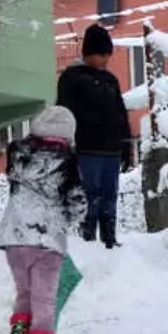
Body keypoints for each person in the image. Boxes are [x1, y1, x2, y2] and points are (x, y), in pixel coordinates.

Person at [0, 106, 87, 334]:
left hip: (14, 237)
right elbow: (76, 201)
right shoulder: (68, 162)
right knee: (44, 302)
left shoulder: (17, 155)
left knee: (24, 295)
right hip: (46, 239)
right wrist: (73, 219)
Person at [56, 22, 133, 248]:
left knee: (109, 195)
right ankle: (87, 237)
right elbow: (64, 112)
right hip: (86, 148)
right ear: (89, 52)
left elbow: (121, 114)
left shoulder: (111, 80)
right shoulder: (72, 78)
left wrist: (126, 145)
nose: (106, 60)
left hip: (111, 149)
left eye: (107, 55)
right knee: (90, 194)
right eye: (102, 55)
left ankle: (109, 237)